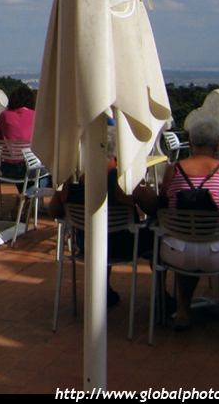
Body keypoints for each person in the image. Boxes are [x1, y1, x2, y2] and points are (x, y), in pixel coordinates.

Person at [158, 117, 219, 331]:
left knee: (189, 240)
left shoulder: (172, 170)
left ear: (191, 143)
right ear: (216, 146)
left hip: (177, 253)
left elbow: (163, 203)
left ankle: (183, 313)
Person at [47, 131, 158, 307]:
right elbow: (153, 208)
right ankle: (161, 296)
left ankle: (103, 290)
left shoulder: (71, 182)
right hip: (125, 247)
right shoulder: (126, 181)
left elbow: (53, 213)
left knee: (102, 233)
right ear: (118, 155)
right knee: (157, 233)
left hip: (87, 245)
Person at [0, 85, 38, 181]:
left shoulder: (4, 115)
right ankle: (29, 190)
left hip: (7, 168)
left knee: (23, 179)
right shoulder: (35, 115)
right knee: (49, 173)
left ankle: (25, 190)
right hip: (30, 167)